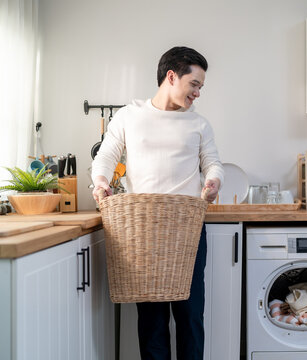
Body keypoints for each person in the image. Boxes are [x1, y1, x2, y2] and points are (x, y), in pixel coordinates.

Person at [91, 46, 224, 360]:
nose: (198, 93)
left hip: (188, 231)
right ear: (171, 76)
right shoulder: (130, 115)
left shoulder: (199, 124)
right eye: (195, 84)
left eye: (201, 87)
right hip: (144, 233)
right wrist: (100, 182)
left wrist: (214, 180)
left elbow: (214, 163)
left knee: (190, 317)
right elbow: (106, 157)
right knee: (151, 321)